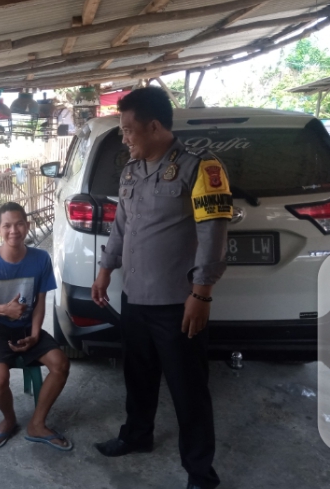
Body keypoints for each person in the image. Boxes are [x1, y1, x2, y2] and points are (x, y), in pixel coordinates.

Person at [91, 86, 232, 489]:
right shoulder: (131, 171)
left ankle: (200, 473)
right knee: (138, 377)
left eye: (128, 129)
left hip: (176, 303)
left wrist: (201, 293)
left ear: (153, 126)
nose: (124, 138)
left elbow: (213, 235)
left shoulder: (199, 168)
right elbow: (121, 227)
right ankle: (137, 435)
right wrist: (105, 269)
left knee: (189, 390)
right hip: (135, 296)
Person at [0, 202, 72, 451]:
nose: (13, 230)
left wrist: (35, 334)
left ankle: (37, 424)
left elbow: (40, 302)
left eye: (19, 224)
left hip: (25, 325)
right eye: (7, 226)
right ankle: (9, 419)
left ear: (28, 226)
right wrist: (4, 310)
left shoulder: (40, 259)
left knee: (60, 364)